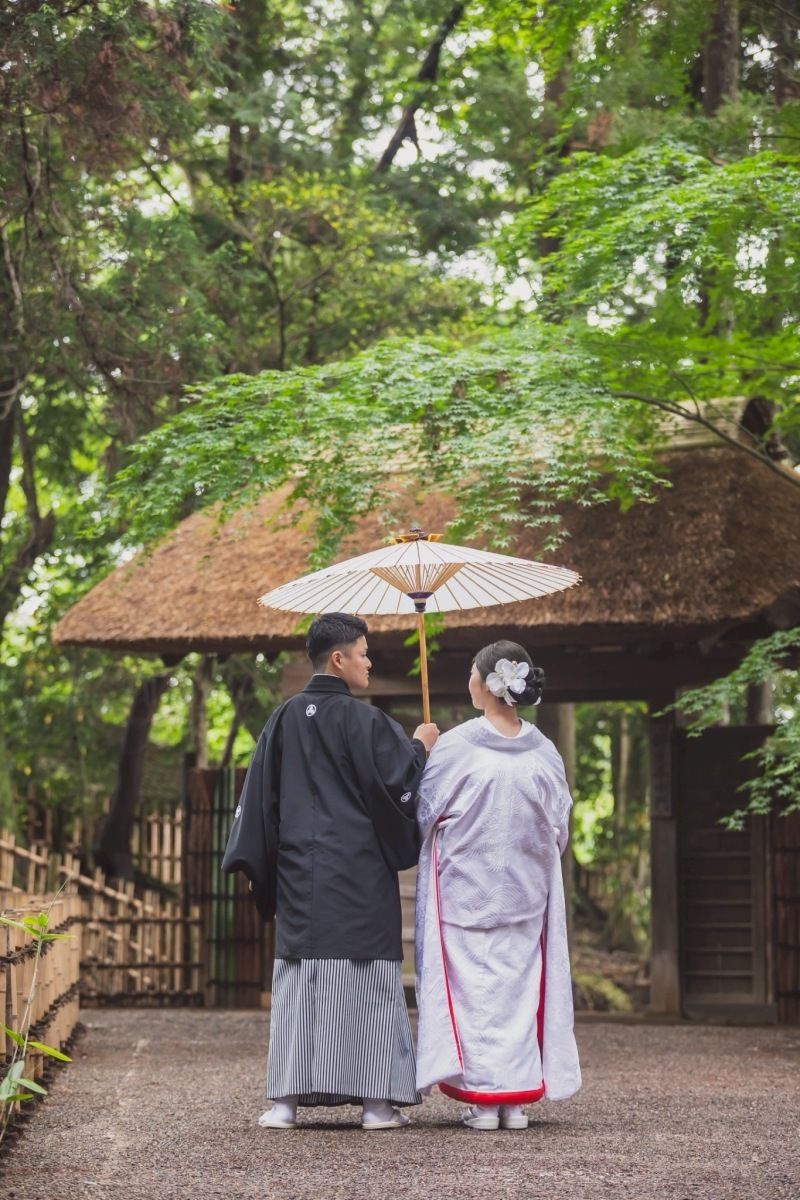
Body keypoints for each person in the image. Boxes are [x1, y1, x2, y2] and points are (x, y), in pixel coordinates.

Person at [222, 612, 439, 1131]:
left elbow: (259, 801)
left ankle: (285, 1104)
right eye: (363, 653)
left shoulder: (282, 720)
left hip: (301, 875)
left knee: (300, 982)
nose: (369, 662)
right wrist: (421, 746)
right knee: (368, 984)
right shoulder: (366, 723)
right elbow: (398, 784)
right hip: (360, 877)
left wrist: (260, 865)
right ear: (338, 660)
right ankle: (377, 1106)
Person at [413, 640, 581, 1131]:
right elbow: (560, 827)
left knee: (476, 994)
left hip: (467, 889)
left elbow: (424, 813)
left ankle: (485, 1101)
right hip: (526, 892)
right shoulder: (543, 751)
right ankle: (514, 1102)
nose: (467, 680)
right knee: (517, 991)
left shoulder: (458, 745)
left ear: (487, 684)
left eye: (470, 672)